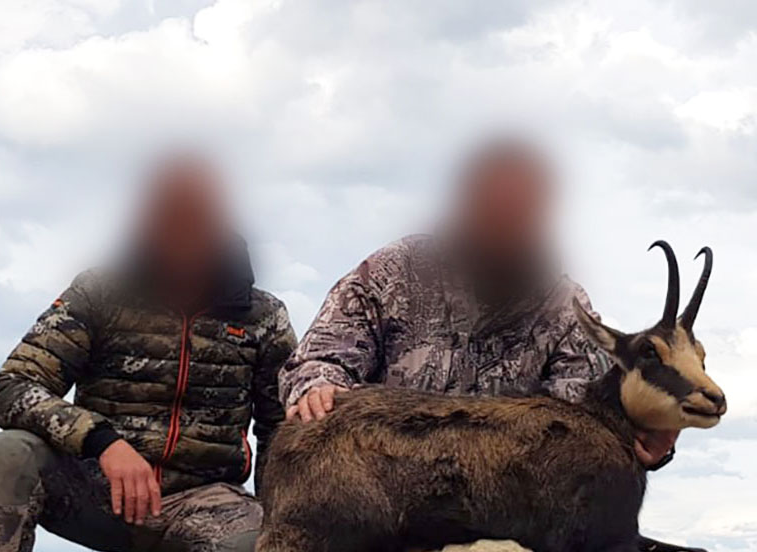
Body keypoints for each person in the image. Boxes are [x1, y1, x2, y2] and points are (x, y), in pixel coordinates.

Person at [0, 156, 296, 552]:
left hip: (204, 500)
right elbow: (14, 386)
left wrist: (285, 521)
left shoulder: (262, 316)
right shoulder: (99, 293)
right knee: (6, 454)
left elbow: (281, 427)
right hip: (95, 487)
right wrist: (101, 441)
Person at [280, 140, 678, 470]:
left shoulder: (564, 307)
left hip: (502, 498)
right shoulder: (390, 273)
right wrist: (318, 386)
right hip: (385, 486)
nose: (503, 227)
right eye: (493, 210)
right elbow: (320, 357)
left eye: (519, 214)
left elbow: (585, 417)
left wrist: (640, 440)